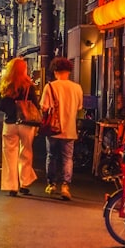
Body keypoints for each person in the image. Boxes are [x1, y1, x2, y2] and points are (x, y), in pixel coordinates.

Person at [40, 56, 84, 200]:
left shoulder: (50, 86)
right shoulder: (77, 88)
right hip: (70, 129)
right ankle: (65, 186)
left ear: (55, 71)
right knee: (67, 158)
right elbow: (79, 108)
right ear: (69, 71)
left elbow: (44, 107)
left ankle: (51, 184)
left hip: (53, 129)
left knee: (51, 156)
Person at [0, 57, 40, 197]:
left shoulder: (5, 84)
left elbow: (0, 106)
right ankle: (25, 183)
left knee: (9, 155)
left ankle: (12, 186)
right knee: (26, 153)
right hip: (26, 123)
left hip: (10, 123)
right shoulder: (29, 86)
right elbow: (35, 105)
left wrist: (11, 111)